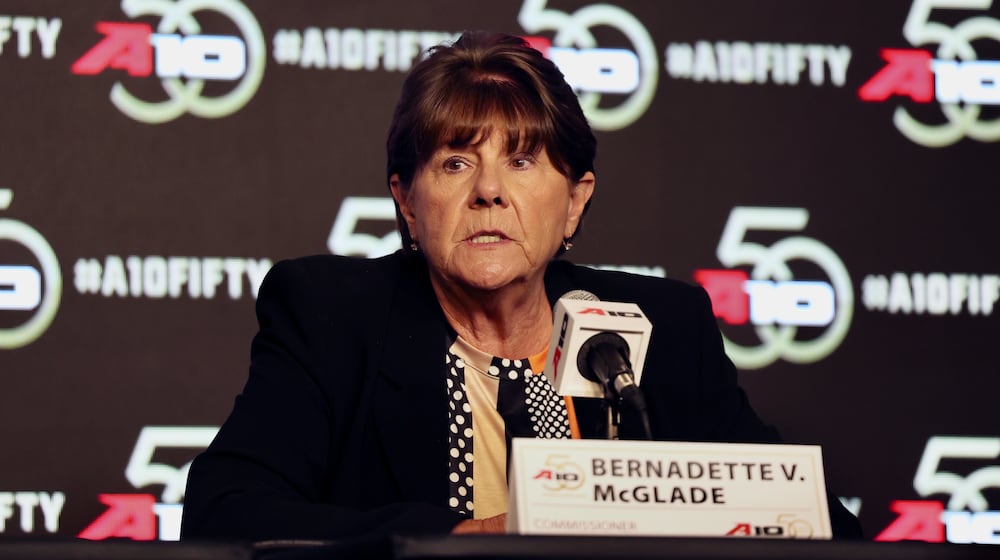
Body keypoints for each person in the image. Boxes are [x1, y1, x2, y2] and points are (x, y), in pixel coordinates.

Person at [181, 31, 861, 540]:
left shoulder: (661, 324)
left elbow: (813, 518)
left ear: (574, 201)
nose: (488, 193)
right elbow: (225, 512)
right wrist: (460, 543)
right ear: (408, 203)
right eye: (454, 162)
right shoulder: (333, 316)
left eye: (523, 159)